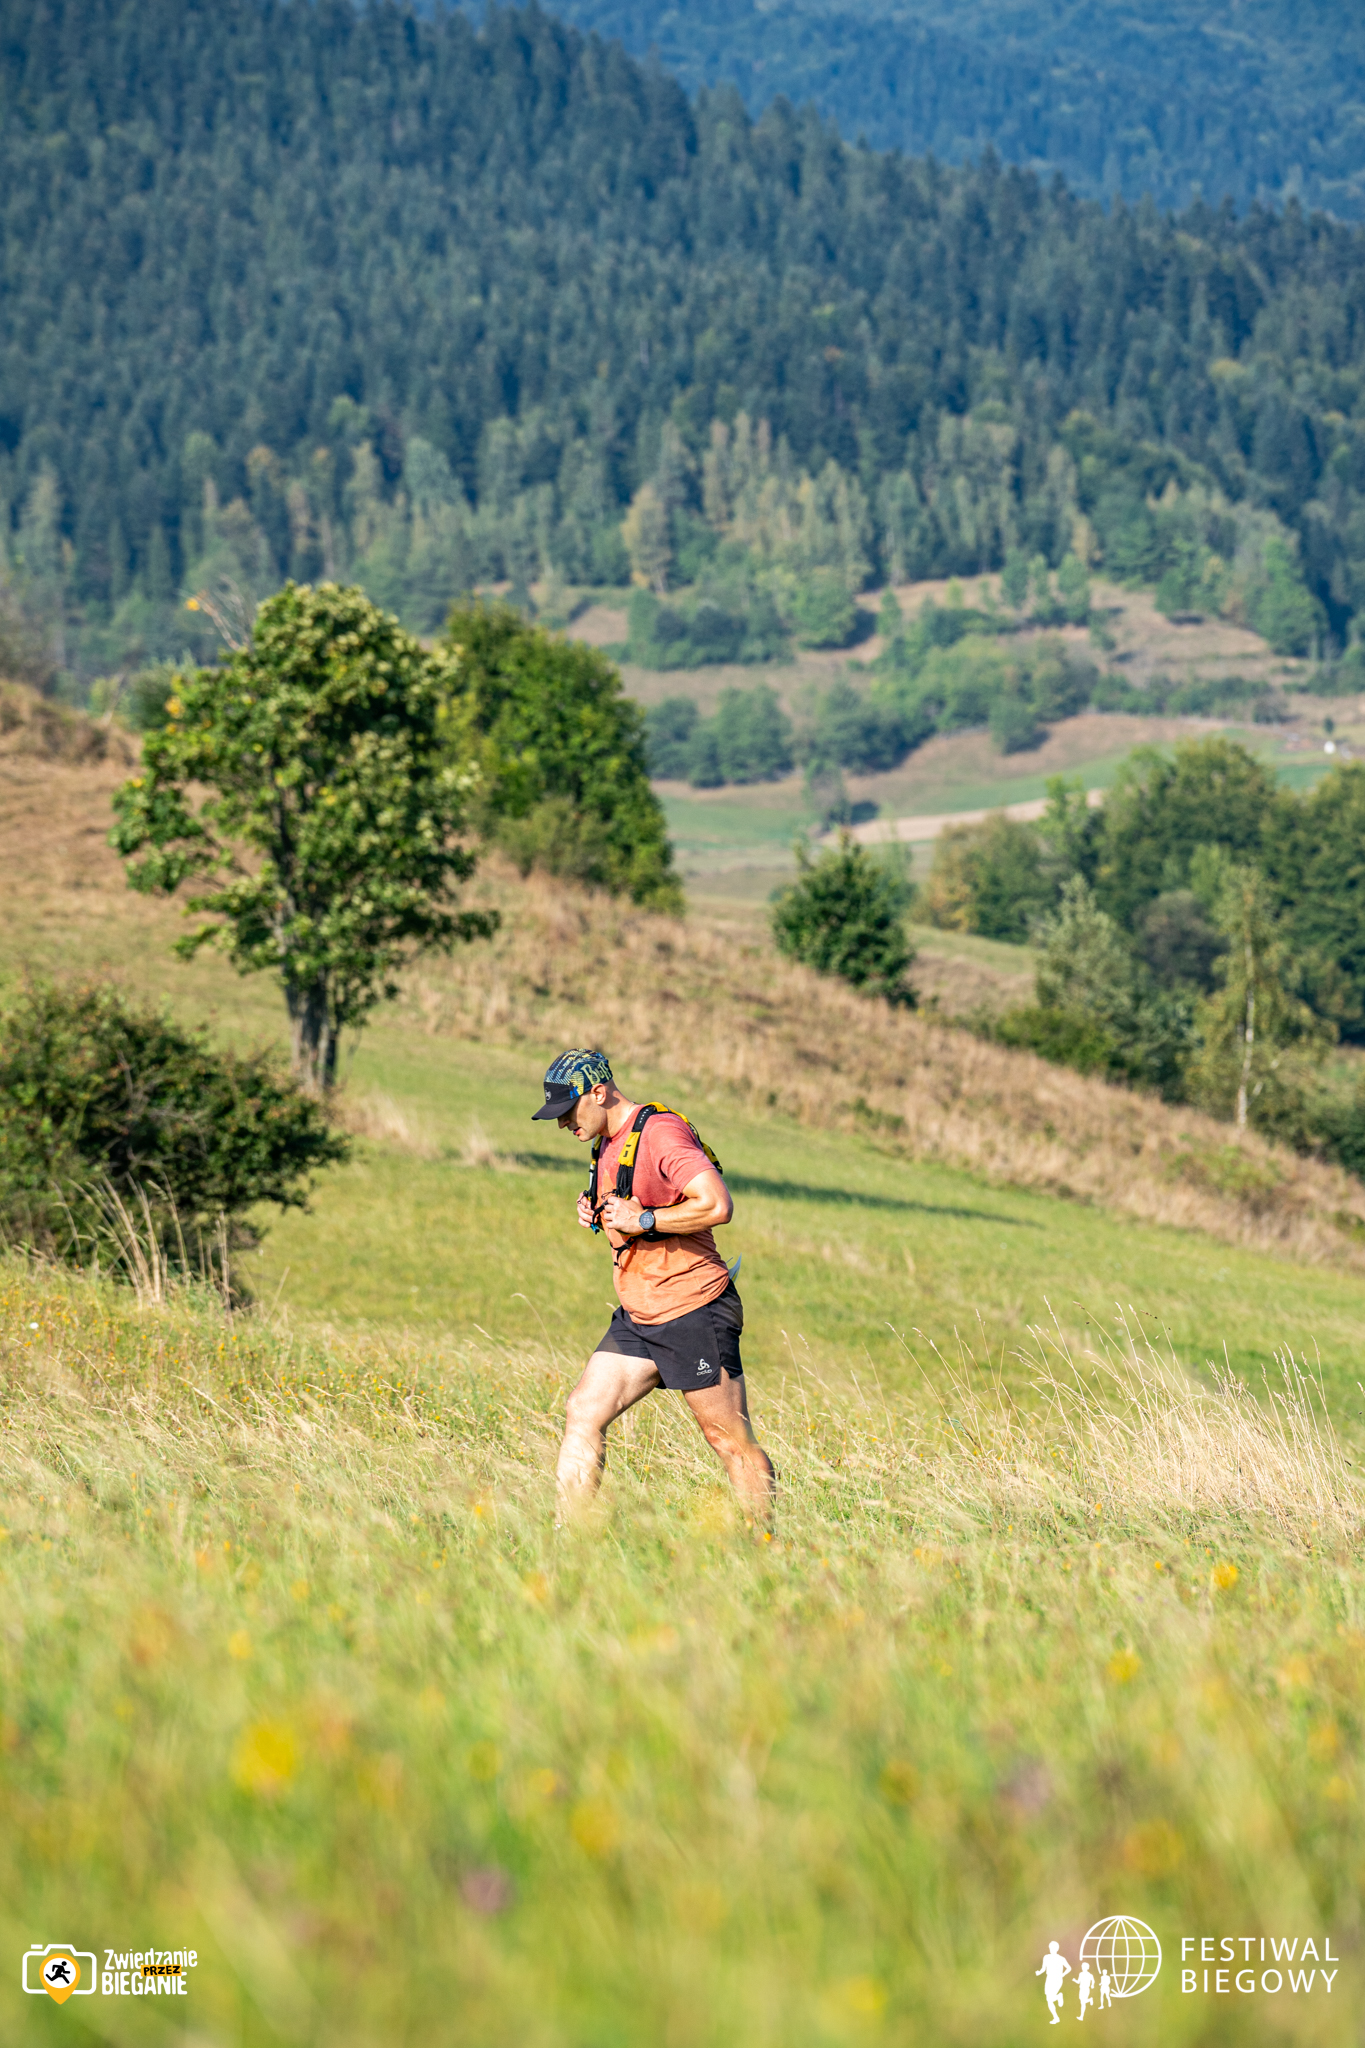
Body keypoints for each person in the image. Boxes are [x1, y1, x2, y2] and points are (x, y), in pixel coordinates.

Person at [533, 1048, 774, 1519]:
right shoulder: (606, 1141)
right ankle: (567, 1541)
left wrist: (643, 1219)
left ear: (598, 1093)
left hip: (692, 1308)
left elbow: (716, 1204)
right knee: (583, 1411)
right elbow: (633, 1203)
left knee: (728, 1440)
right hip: (640, 1313)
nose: (562, 1124)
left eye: (567, 1111)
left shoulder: (660, 1133)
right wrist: (598, 1212)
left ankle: (763, 1544)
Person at [1036, 1942, 1071, 2025]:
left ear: (1057, 1949)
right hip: (1050, 1979)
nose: (1052, 1949)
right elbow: (1043, 1969)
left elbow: (1068, 1968)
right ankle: (1056, 2017)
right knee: (1049, 2000)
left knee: (1050, 1999)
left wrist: (1062, 1975)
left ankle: (1058, 1998)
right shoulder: (1047, 1957)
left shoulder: (1060, 1959)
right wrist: (1038, 1972)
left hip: (1056, 1979)